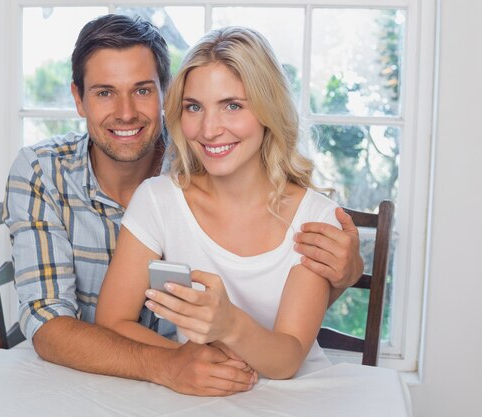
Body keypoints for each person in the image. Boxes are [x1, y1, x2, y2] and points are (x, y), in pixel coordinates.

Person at [3, 14, 362, 394]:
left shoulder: (304, 211)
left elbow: (288, 350)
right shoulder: (146, 192)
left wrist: (345, 272)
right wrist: (176, 362)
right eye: (105, 92)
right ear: (78, 98)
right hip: (151, 387)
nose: (210, 129)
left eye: (142, 90)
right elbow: (55, 323)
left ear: (163, 93)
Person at [96, 26, 347, 379]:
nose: (209, 129)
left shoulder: (315, 218)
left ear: (267, 110)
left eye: (232, 106)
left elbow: (287, 359)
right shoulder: (157, 200)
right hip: (200, 395)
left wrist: (230, 325)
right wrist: (184, 361)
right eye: (194, 107)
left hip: (292, 399)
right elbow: (112, 322)